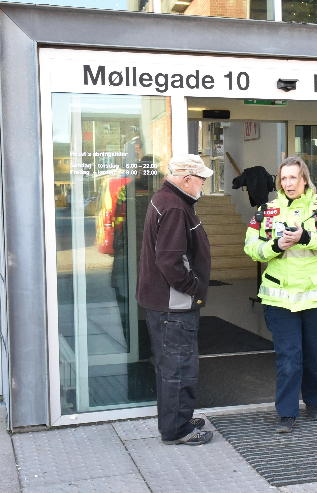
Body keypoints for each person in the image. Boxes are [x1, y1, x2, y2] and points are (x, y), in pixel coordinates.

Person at [244, 156, 317, 434]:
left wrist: (305, 238)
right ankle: (287, 414)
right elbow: (251, 247)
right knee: (289, 357)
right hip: (280, 300)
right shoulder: (266, 211)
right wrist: (276, 245)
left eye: (293, 177)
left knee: (315, 355)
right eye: (284, 178)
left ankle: (314, 404)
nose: (288, 183)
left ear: (304, 179)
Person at [136, 154, 214, 446]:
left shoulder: (167, 200)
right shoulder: (174, 207)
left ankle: (180, 416)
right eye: (200, 178)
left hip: (168, 303)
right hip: (174, 305)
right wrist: (195, 287)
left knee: (175, 365)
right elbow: (170, 261)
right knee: (178, 368)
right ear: (185, 179)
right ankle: (176, 429)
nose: (203, 183)